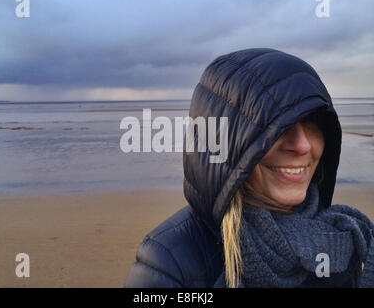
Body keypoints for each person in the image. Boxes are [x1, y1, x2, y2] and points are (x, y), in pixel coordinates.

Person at [124, 48, 374, 288]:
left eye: (312, 123)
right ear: (227, 144)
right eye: (275, 127)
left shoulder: (339, 242)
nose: (302, 145)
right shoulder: (169, 261)